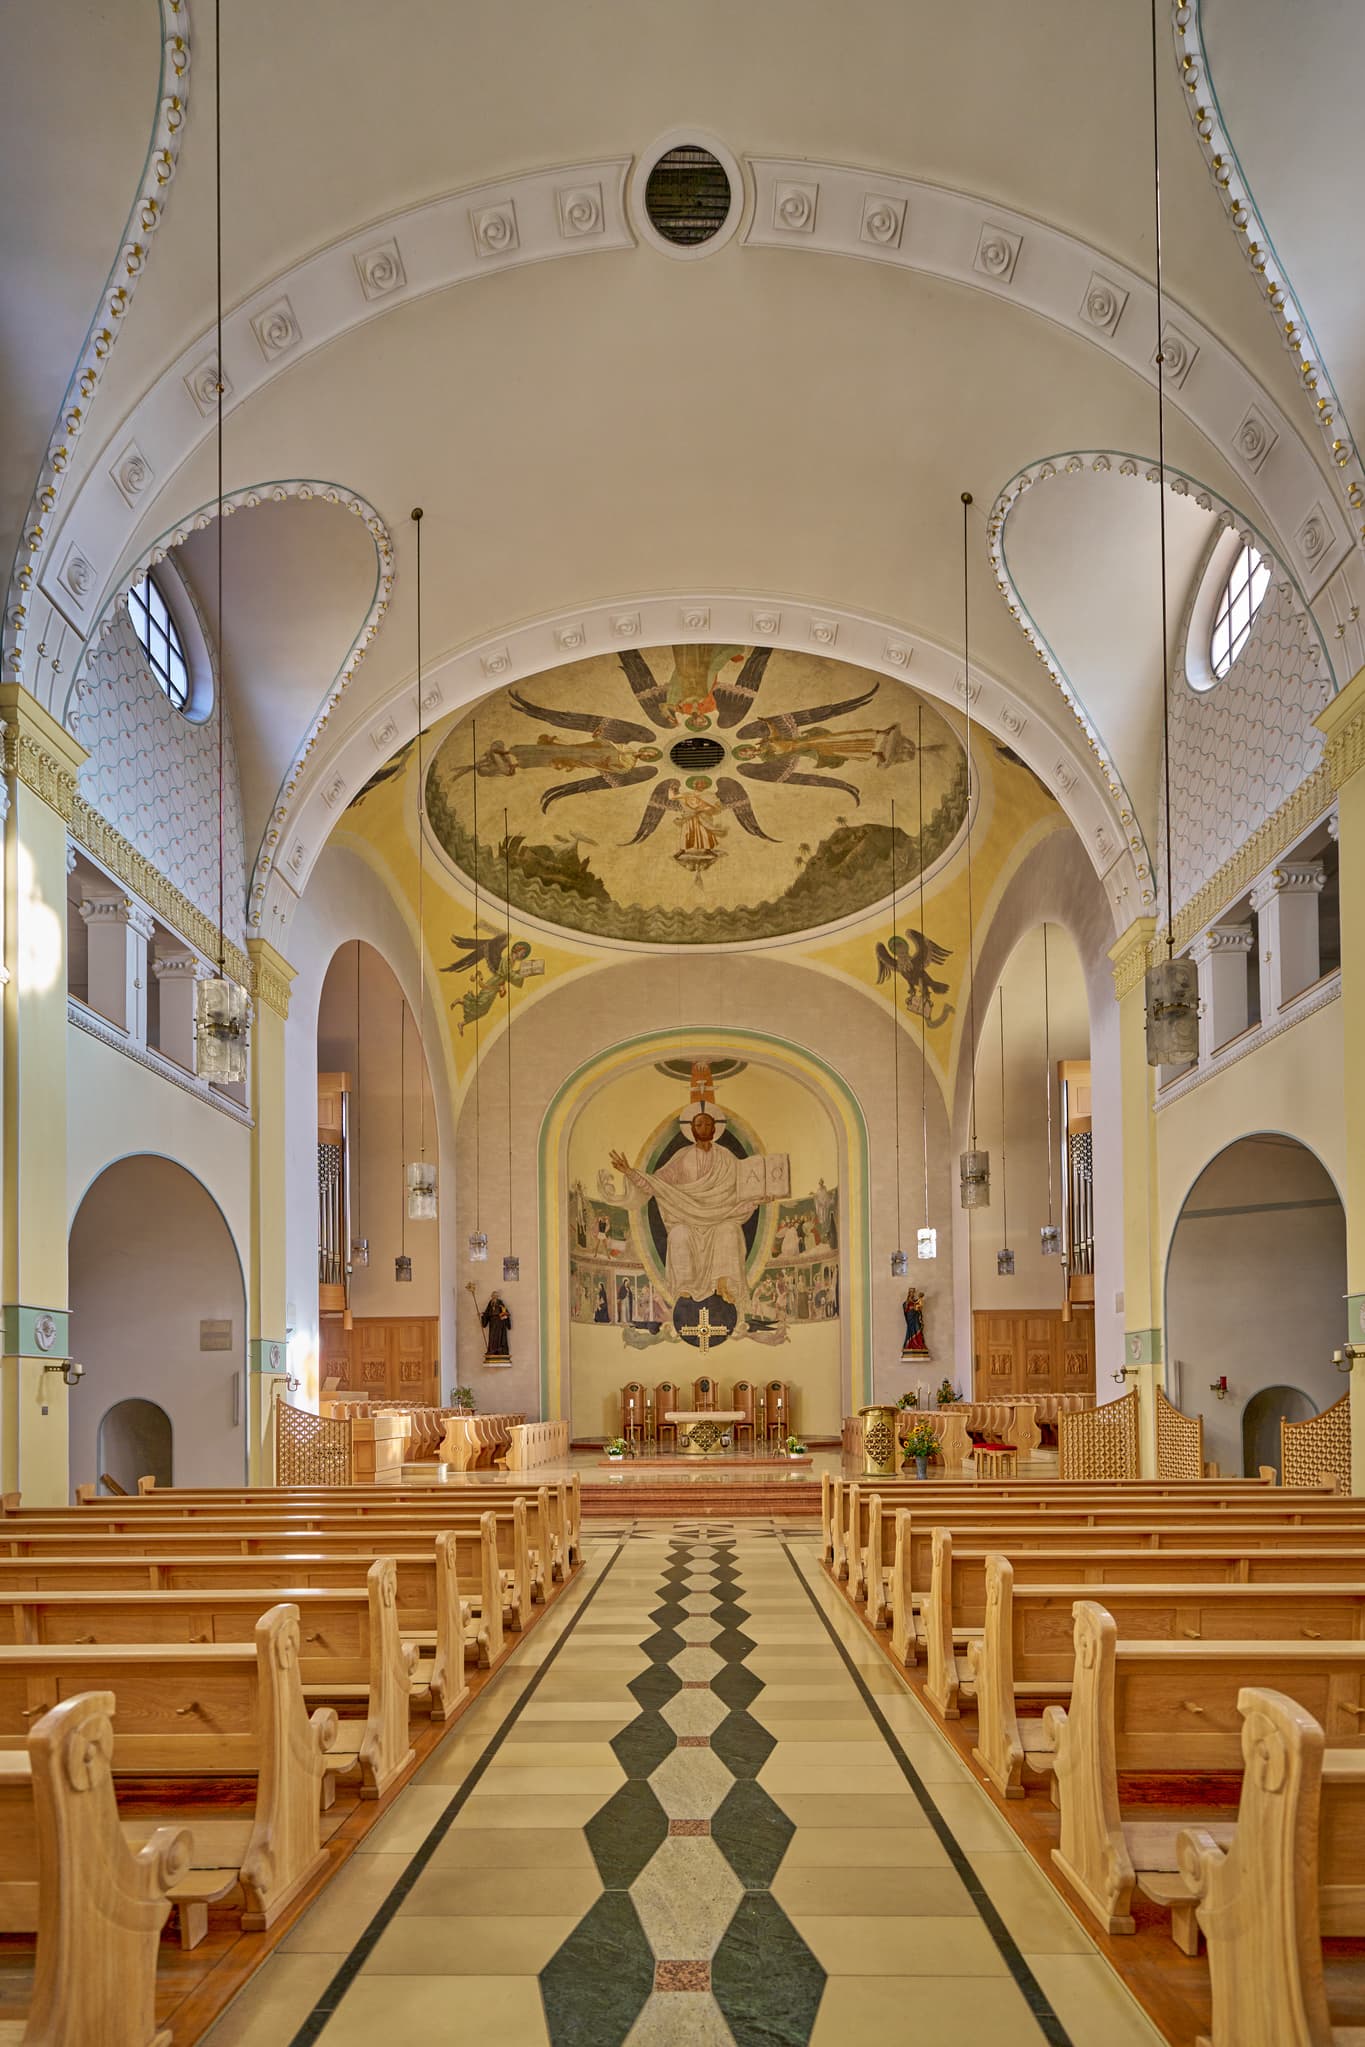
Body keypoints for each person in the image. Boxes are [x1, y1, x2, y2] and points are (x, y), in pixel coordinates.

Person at [611, 1112, 757, 1316]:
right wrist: (630, 1172)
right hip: (687, 1219)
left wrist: (760, 1196)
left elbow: (744, 1188)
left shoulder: (726, 1158)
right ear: (692, 1129)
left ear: (715, 1129)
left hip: (721, 1217)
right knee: (679, 1235)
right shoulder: (681, 1158)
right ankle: (685, 1290)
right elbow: (655, 1185)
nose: (704, 1126)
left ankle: (724, 1285)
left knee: (730, 1231)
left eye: (708, 1123)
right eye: (699, 1123)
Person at [481, 1291, 512, 1362]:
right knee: (492, 1337)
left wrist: (505, 1316)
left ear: (497, 1297)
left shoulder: (500, 1303)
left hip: (499, 1323)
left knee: (500, 1337)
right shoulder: (490, 1303)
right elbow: (487, 1313)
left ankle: (500, 1350)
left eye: (495, 1296)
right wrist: (483, 1316)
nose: (494, 1297)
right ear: (491, 1296)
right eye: (493, 1296)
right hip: (492, 1323)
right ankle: (492, 1350)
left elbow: (505, 1312)